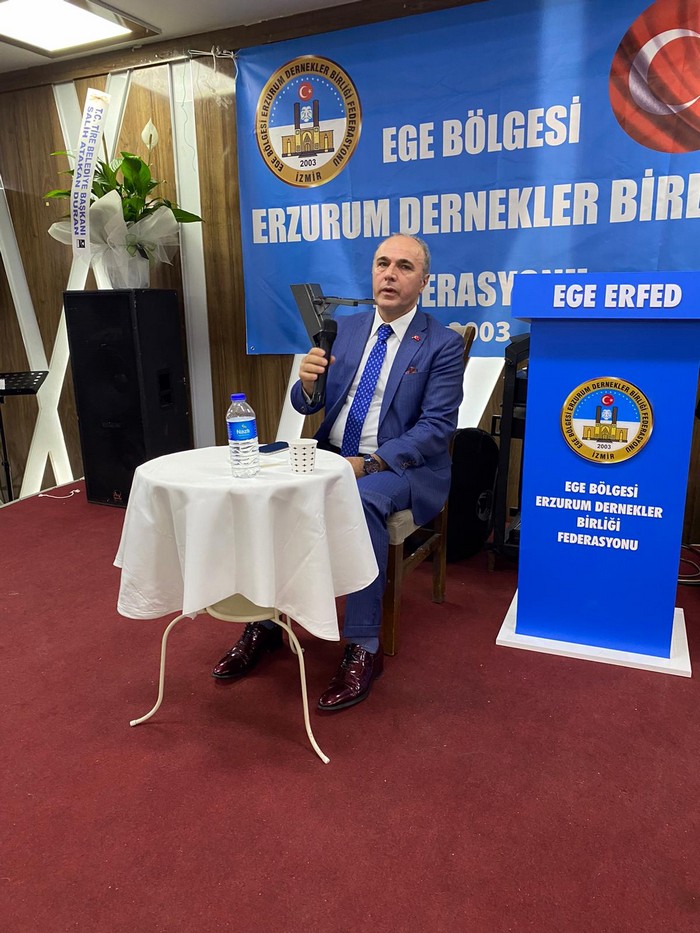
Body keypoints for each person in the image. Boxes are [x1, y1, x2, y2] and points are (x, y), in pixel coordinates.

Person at [212, 233, 465, 710]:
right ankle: (264, 622)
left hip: (400, 465)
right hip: (331, 453)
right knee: (267, 490)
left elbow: (436, 427)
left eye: (404, 267)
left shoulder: (441, 343)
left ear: (424, 281)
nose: (389, 274)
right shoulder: (344, 330)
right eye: (382, 264)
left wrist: (369, 463)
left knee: (360, 500)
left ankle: (363, 645)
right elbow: (309, 404)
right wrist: (307, 383)